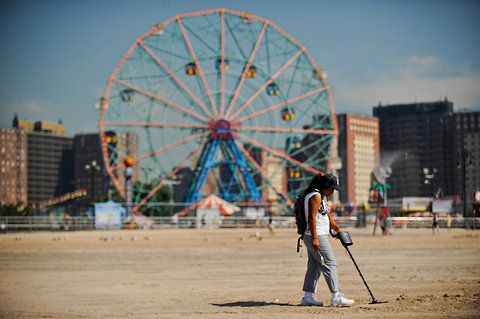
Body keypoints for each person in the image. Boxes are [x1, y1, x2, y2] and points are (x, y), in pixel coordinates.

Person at [300, 173, 355, 307]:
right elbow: (312, 218)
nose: (333, 191)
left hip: (319, 234)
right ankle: (336, 296)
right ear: (326, 186)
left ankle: (307, 297)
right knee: (330, 263)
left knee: (314, 266)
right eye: (332, 188)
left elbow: (326, 215)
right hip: (316, 234)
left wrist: (336, 228)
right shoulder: (315, 196)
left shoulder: (322, 196)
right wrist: (314, 238)